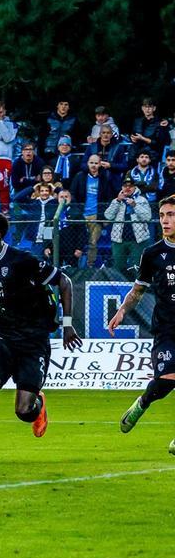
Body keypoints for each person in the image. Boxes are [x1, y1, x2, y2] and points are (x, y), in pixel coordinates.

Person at [0, 210, 82, 474]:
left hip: (32, 342)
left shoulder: (22, 260)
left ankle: (37, 406)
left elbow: (64, 281)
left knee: (23, 411)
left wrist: (67, 325)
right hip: (2, 339)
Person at [111, 195, 175, 440]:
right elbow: (138, 290)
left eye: (170, 215)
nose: (165, 221)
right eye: (162, 216)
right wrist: (122, 310)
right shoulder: (152, 253)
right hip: (167, 329)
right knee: (166, 382)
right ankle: (143, 402)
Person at [105, 178, 152, 274]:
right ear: (122, 187)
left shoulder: (142, 200)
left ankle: (137, 284)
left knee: (137, 267)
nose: (127, 188)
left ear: (135, 187)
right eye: (125, 186)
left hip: (138, 240)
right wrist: (118, 201)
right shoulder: (116, 200)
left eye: (130, 186)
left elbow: (147, 217)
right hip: (119, 240)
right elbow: (108, 216)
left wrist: (135, 205)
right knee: (118, 268)